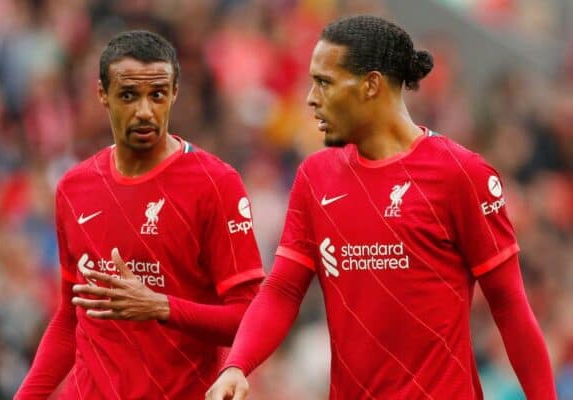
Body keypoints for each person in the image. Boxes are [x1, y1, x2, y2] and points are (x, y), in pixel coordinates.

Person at [206, 15, 556, 399]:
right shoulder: (316, 175)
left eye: (324, 82)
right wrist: (237, 365)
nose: (310, 97)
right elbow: (283, 290)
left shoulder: (460, 173)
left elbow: (508, 305)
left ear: (371, 85)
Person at [16, 30, 264, 399]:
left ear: (175, 93)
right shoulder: (74, 186)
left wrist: (160, 307)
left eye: (158, 94)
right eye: (129, 95)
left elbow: (251, 319)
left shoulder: (216, 183)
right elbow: (72, 316)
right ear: (103, 93)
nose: (145, 111)